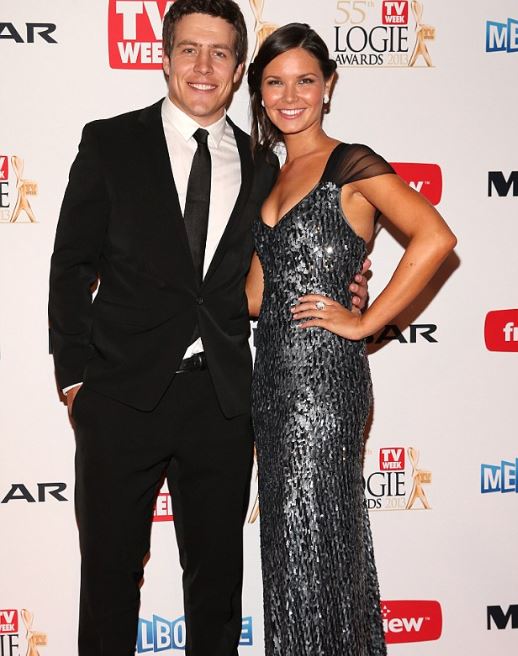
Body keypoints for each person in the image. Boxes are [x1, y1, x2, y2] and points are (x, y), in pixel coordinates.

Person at [48, 2, 368, 655]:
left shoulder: (265, 166)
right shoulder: (109, 142)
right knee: (108, 583)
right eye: (189, 49)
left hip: (220, 402)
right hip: (118, 395)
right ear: (163, 57)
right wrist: (77, 381)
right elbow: (69, 266)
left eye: (220, 53)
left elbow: (280, 269)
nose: (203, 66)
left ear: (238, 69)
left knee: (217, 589)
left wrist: (344, 287)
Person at [246, 24, 457, 655]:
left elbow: (435, 239)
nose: (290, 96)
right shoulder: (269, 175)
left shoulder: (351, 163)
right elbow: (256, 296)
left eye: (305, 80)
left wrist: (367, 321)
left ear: (329, 86)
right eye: (274, 83)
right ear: (258, 94)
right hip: (272, 381)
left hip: (326, 385)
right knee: (294, 552)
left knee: (319, 547)